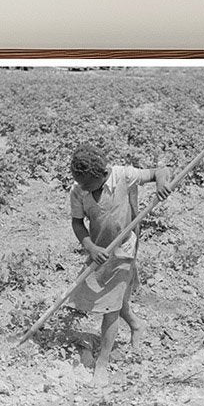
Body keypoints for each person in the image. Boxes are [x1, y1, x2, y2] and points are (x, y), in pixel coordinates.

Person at [67, 143, 172, 386]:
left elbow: (159, 171)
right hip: (99, 251)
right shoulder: (78, 190)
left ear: (102, 175)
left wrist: (161, 185)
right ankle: (136, 325)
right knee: (106, 298)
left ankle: (102, 363)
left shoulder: (123, 175)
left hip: (123, 248)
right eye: (79, 183)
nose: (82, 187)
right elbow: (77, 223)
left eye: (86, 184)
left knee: (110, 306)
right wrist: (91, 248)